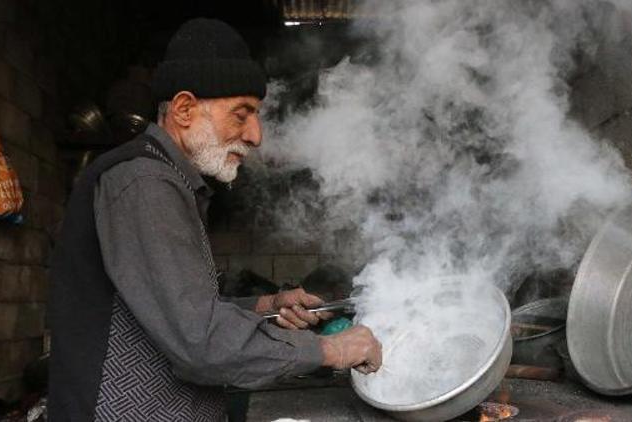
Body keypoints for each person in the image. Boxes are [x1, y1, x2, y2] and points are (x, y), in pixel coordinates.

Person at [47, 18, 382, 421]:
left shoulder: (168, 179)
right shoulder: (144, 182)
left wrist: (267, 305)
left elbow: (180, 308)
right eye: (242, 114)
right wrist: (331, 349)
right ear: (185, 109)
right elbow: (200, 341)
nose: (256, 135)